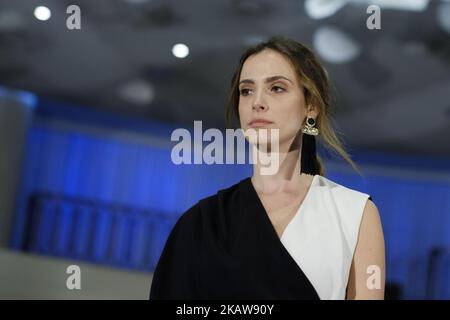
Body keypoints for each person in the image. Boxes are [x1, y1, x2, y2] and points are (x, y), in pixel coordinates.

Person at [150, 36, 385, 300]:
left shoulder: (355, 213)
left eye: (277, 88)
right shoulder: (200, 223)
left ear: (311, 107)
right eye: (246, 90)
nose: (257, 102)